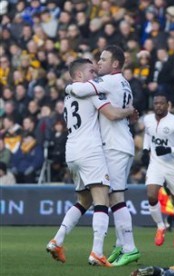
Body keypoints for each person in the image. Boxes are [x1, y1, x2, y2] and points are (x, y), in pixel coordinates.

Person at [46, 58, 134, 266]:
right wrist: (129, 110)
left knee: (84, 200)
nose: (95, 75)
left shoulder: (69, 96)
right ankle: (97, 252)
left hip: (72, 151)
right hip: (90, 151)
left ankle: (57, 240)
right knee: (102, 199)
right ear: (79, 75)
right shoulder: (89, 91)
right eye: (91, 71)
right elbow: (112, 114)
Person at [141, 92, 174, 247]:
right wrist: (145, 148)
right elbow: (148, 134)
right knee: (151, 195)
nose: (158, 106)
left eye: (162, 103)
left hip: (173, 166)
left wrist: (169, 149)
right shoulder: (148, 119)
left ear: (168, 105)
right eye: (156, 103)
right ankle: (160, 226)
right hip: (156, 164)